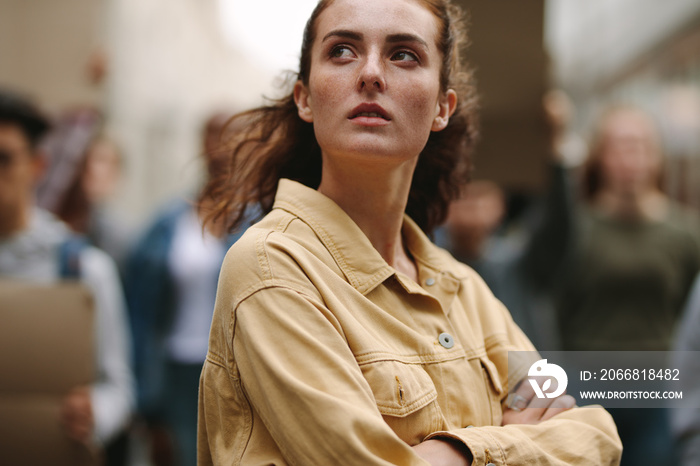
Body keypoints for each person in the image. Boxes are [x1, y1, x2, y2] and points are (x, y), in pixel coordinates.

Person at [197, 0, 622, 464]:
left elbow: (596, 436)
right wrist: (487, 446)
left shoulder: (465, 291)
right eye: (342, 51)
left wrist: (437, 455)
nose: (371, 74)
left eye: (403, 55)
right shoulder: (271, 269)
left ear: (443, 107)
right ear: (305, 97)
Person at [556, 105, 700, 465]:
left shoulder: (685, 234)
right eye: (618, 146)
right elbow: (553, 311)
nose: (629, 157)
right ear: (600, 157)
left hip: (660, 391)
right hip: (586, 388)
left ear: (656, 157)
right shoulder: (573, 230)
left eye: (639, 145)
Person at [0, 91, 134, 455]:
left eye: (4, 159)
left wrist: (95, 413)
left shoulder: (84, 270)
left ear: (37, 165)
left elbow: (119, 388)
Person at [125, 112, 253, 466]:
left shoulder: (260, 222)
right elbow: (138, 309)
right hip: (172, 369)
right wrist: (144, 398)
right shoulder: (169, 222)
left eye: (233, 138)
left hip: (233, 372)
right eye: (214, 136)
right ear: (201, 144)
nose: (222, 149)